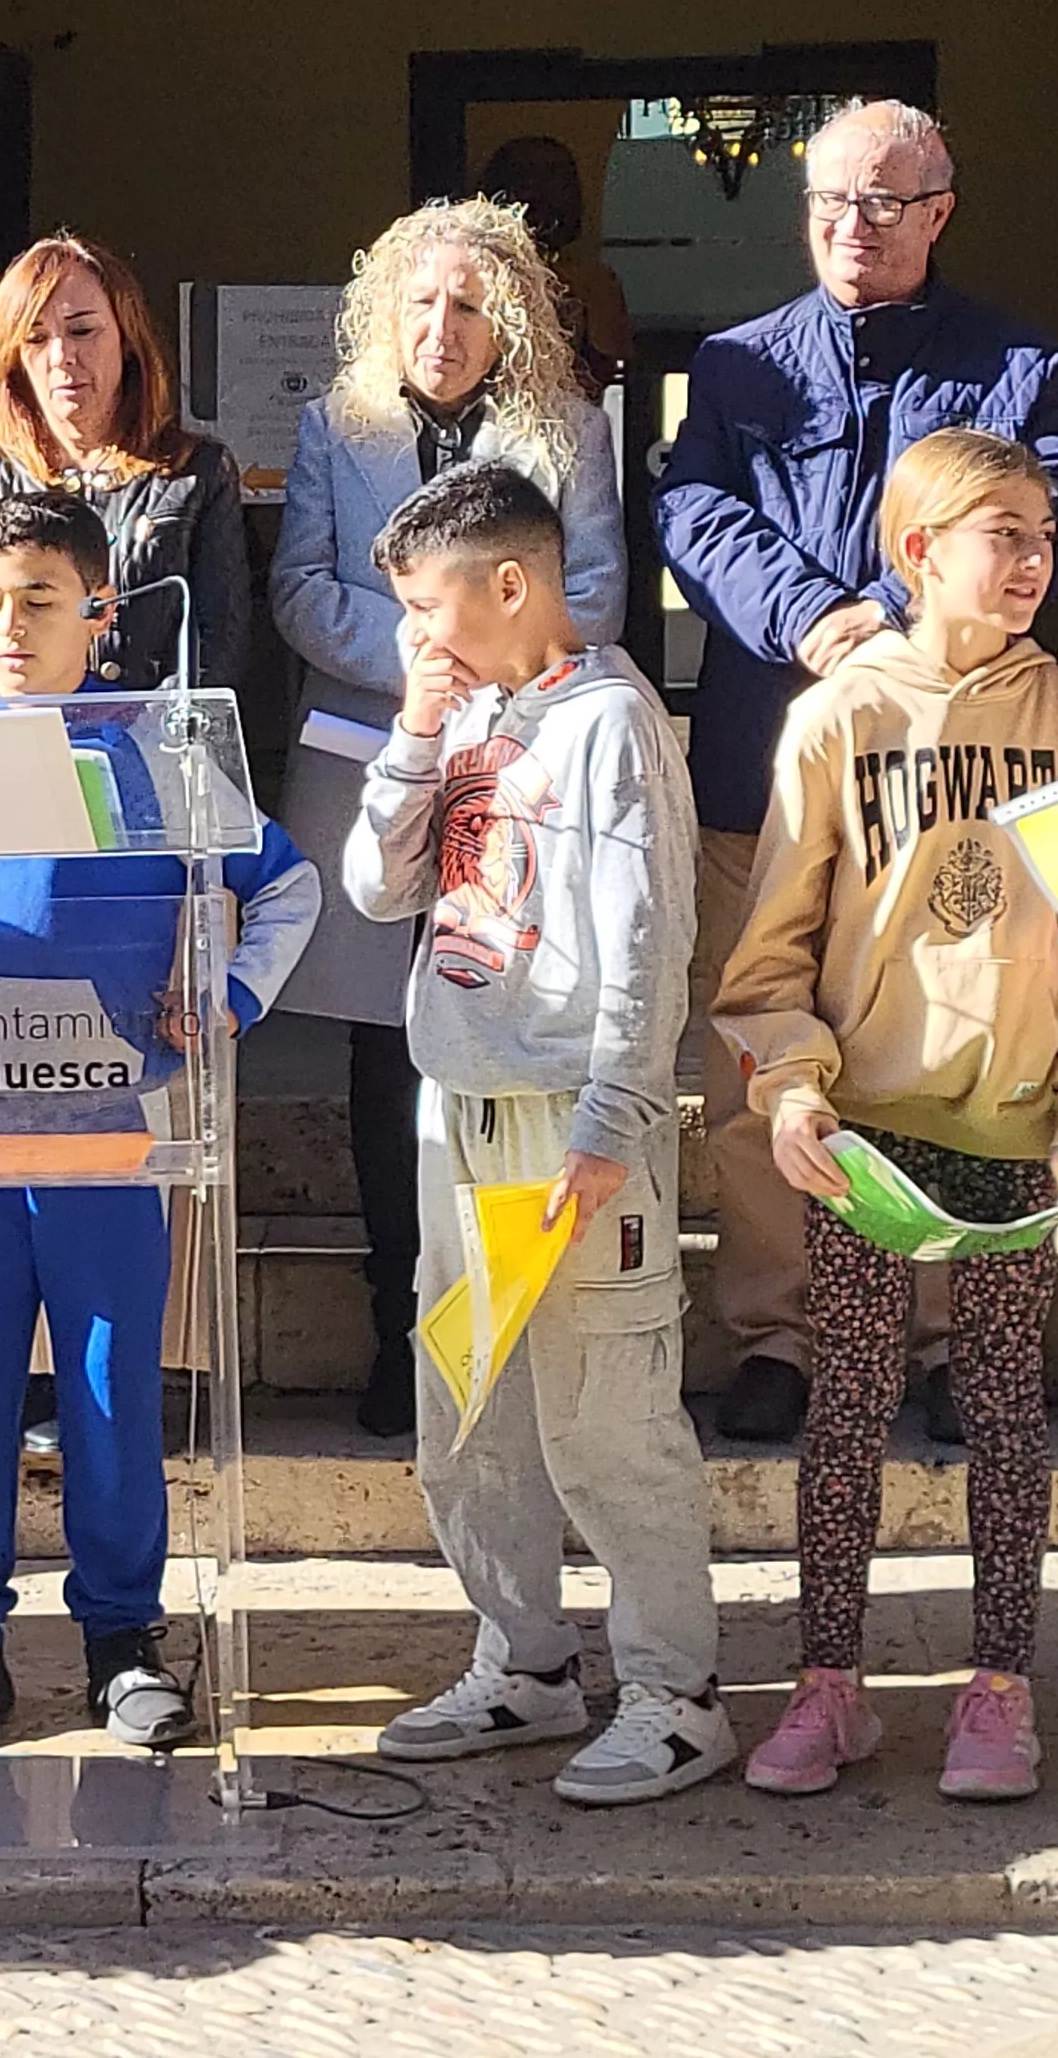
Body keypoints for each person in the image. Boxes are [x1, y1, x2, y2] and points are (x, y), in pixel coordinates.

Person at [0, 489, 318, 1753]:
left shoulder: (151, 753)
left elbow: (285, 885)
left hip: (112, 1137)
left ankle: (123, 1633)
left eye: (40, 601)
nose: (8, 626)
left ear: (99, 610)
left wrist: (223, 996)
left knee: (112, 1390)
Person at [654, 98, 1058, 1449]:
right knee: (759, 1064)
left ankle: (960, 1335)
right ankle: (781, 1335)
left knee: (963, 1046)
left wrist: (900, 634)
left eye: (883, 204)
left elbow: (1034, 507)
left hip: (951, 776)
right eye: (830, 203)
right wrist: (813, 617)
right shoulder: (736, 365)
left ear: (939, 213)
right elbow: (694, 508)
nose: (852, 227)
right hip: (767, 767)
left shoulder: (1018, 362)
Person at [716, 430, 1058, 1803]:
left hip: (1010, 1124)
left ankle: (999, 1688)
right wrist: (791, 1087)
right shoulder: (838, 720)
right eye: (998, 533)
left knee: (1006, 1408)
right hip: (867, 1131)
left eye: (1043, 536)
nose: (1028, 560)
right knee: (850, 1409)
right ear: (917, 553)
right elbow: (771, 953)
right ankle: (827, 1683)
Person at [351, 462, 726, 1806]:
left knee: (606, 1414)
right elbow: (376, 882)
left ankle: (675, 1691)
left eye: (428, 605)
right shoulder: (462, 715)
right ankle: (523, 1658)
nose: (419, 635)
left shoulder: (612, 723)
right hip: (457, 1108)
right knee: (468, 1405)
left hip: (573, 1120)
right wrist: (412, 729)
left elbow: (645, 938)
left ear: (512, 584)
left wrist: (615, 1116)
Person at [271, 198, 623, 1440]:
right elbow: (300, 590)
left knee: (503, 1027)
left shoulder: (570, 431)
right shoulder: (333, 424)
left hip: (518, 773)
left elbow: (595, 591)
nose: (442, 327)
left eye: (469, 304)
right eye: (419, 303)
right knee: (381, 1059)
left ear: (509, 316)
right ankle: (394, 1323)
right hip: (368, 754)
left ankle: (509, 1318)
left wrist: (484, 674)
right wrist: (432, 655)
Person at [0, 234, 250, 696]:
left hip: (152, 741)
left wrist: (139, 728)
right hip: (21, 742)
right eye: (36, 339)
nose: (62, 356)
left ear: (127, 337)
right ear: (14, 358)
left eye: (82, 331)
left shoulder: (195, 472)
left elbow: (220, 640)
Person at [473, 135, 635, 394]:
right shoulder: (465, 278)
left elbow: (611, 373)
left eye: (554, 181)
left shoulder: (593, 283)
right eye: (525, 180)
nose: (536, 193)